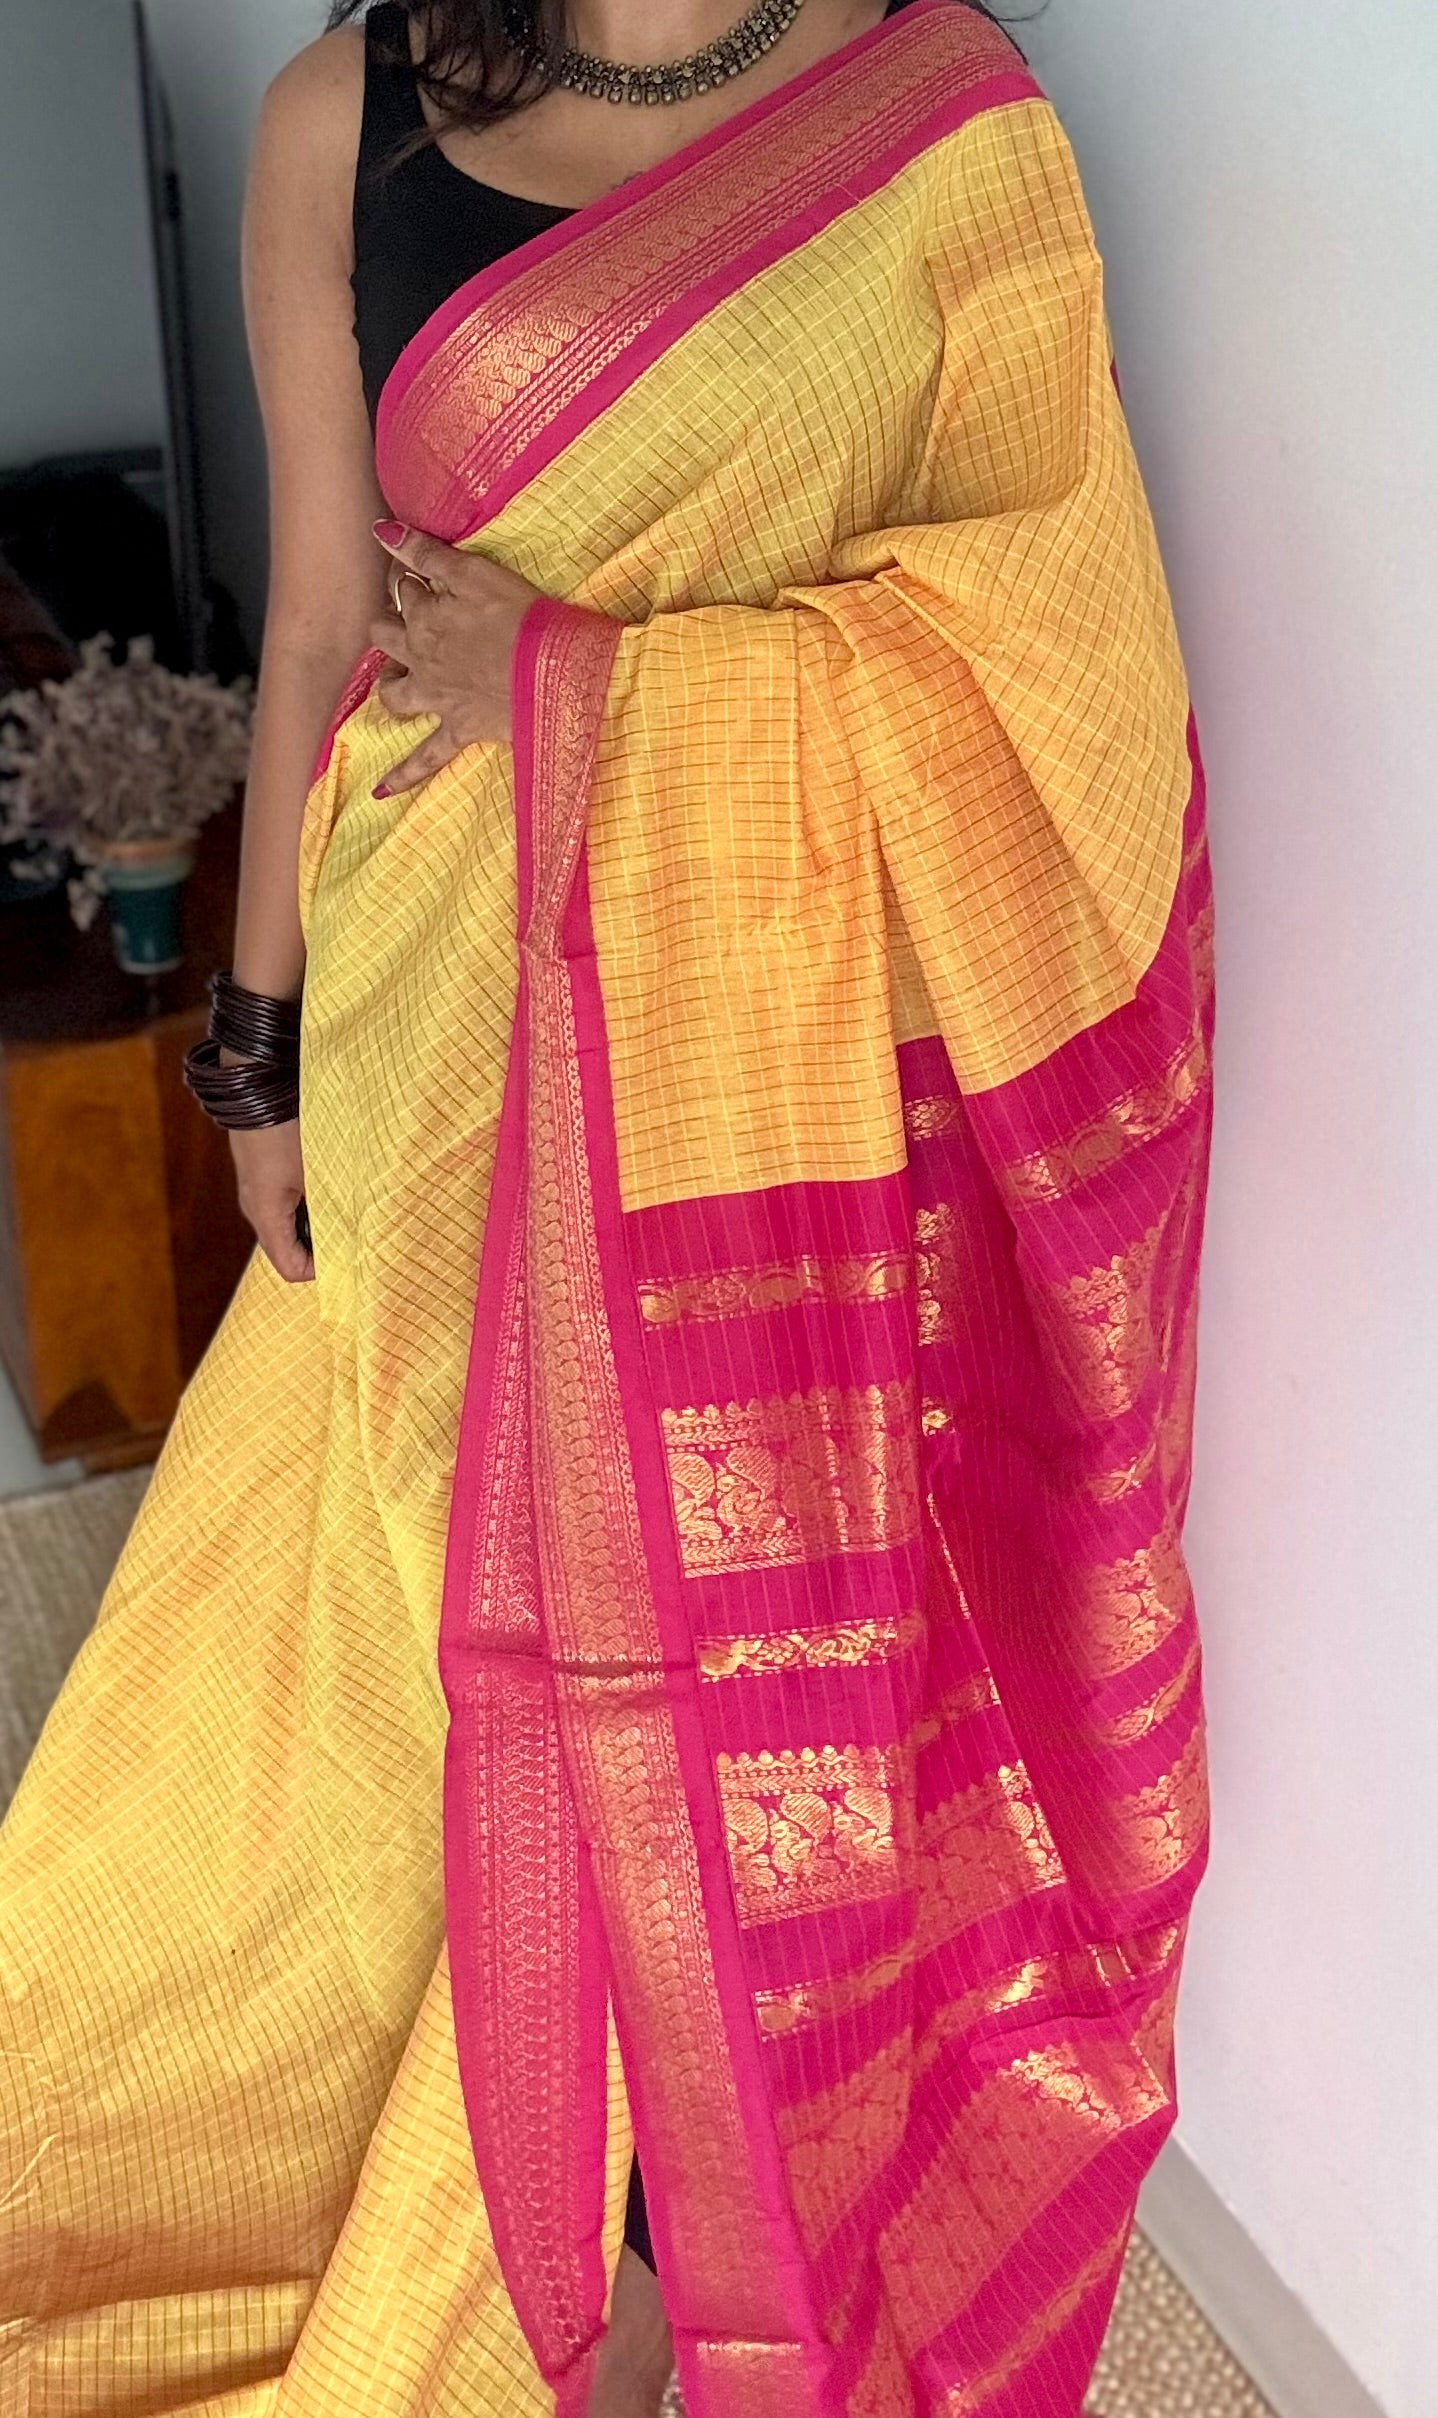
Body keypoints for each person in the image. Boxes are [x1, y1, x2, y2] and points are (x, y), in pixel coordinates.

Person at [0, 0, 1214, 2411]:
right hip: (444, 1015)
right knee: (480, 1636)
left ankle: (670, 2241)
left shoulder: (937, 117)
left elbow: (1056, 644)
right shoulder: (343, 114)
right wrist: (254, 1045)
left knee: (732, 1636)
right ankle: (517, 2219)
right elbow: (323, 625)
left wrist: (594, 685)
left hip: (779, 1064)